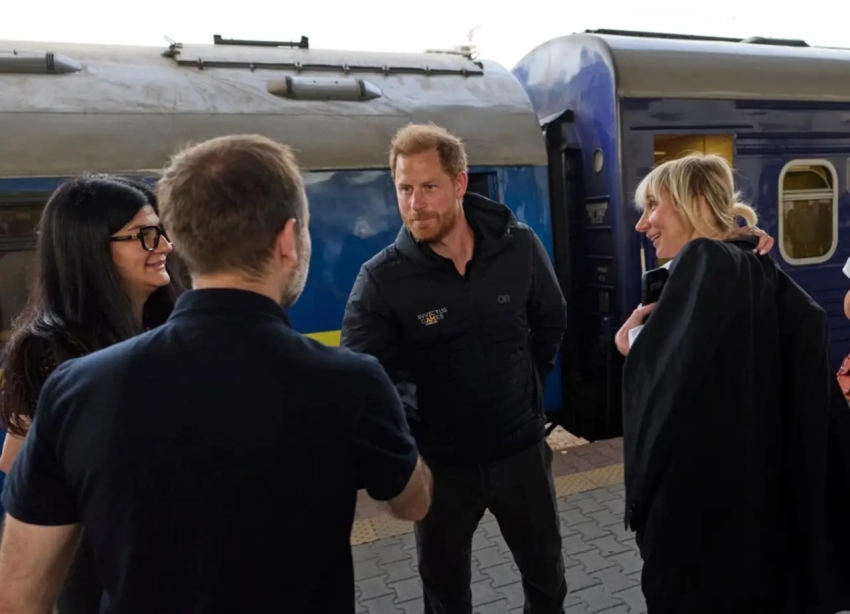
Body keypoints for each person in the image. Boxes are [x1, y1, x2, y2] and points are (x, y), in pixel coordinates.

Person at [0, 134, 432, 614]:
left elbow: (19, 596)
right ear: (287, 240)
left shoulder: (73, 388)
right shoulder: (350, 381)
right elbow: (412, 504)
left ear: (183, 238)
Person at [341, 123, 568, 614]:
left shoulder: (519, 247)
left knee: (547, 581)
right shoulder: (382, 280)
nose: (416, 203)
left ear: (460, 184)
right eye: (404, 189)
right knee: (445, 597)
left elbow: (550, 319)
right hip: (442, 468)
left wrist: (528, 390)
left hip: (521, 454)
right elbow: (361, 376)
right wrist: (411, 431)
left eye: (429, 187)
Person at [615, 153, 850, 614]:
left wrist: (633, 347)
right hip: (757, 518)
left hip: (700, 524)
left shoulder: (706, 262)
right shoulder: (752, 267)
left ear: (693, 202)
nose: (643, 224)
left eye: (652, 206)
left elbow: (677, 377)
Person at [0, 174, 182, 614]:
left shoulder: (170, 323)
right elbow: (16, 460)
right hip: (103, 567)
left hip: (179, 555)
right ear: (90, 248)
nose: (164, 246)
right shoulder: (49, 350)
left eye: (162, 231)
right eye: (144, 235)